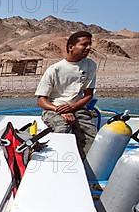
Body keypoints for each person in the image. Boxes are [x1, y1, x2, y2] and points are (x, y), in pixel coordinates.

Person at [35, 31, 97, 159]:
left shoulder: (90, 65)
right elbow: (41, 101)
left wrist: (72, 107)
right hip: (54, 109)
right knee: (62, 128)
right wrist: (60, 110)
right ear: (70, 47)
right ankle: (60, 162)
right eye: (84, 44)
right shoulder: (54, 69)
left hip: (77, 107)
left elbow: (88, 95)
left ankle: (86, 166)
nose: (89, 48)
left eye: (90, 44)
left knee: (91, 134)